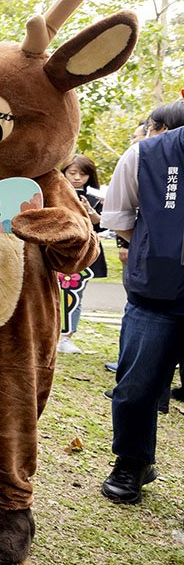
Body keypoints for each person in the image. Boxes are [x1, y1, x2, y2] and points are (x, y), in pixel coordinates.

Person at [99, 109, 184, 504]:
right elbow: (118, 216)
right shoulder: (147, 155)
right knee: (136, 386)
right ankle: (132, 463)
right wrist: (158, 251)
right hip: (156, 295)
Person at [57, 153, 107, 354]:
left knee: (75, 294)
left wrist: (91, 212)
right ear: (64, 172)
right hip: (56, 251)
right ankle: (51, 334)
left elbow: (102, 226)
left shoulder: (95, 197)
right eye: (73, 172)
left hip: (83, 253)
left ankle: (67, 337)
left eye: (83, 174)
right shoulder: (54, 191)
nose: (77, 178)